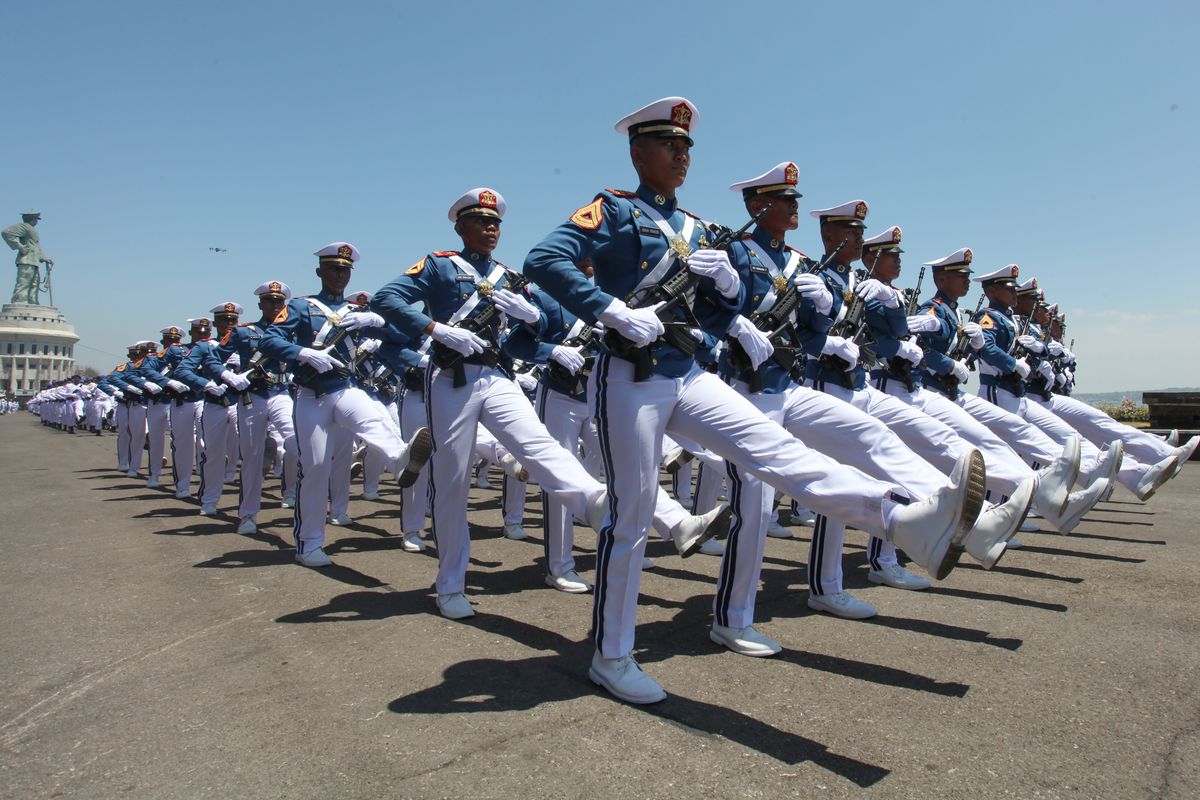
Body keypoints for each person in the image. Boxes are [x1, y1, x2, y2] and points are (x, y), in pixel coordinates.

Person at [523, 97, 986, 703]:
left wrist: (728, 290)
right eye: (669, 145)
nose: (682, 155)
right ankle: (612, 655)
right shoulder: (612, 210)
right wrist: (611, 310)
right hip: (630, 378)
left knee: (779, 452)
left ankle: (903, 521)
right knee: (632, 517)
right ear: (638, 152)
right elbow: (544, 259)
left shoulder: (699, 229)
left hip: (688, 372)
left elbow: (718, 316)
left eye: (688, 147)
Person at [372, 188, 730, 618]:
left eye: (496, 222)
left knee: (539, 446)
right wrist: (436, 329)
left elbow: (540, 326)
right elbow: (385, 298)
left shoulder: (508, 278)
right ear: (459, 226)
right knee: (452, 483)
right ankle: (450, 583)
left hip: (495, 373)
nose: (490, 228)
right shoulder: (439, 265)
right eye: (480, 220)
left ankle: (613, 507)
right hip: (451, 376)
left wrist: (533, 318)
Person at [257, 242, 434, 568]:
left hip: (344, 387)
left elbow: (403, 335)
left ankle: (401, 460)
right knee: (316, 469)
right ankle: (309, 543)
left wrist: (380, 322)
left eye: (345, 270)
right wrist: (302, 353)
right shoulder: (300, 307)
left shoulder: (358, 313)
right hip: (311, 395)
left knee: (374, 421)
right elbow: (268, 339)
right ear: (320, 272)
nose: (340, 275)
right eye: (334, 269)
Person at [2, 211, 53, 304]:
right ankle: (20, 301)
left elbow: (35, 246)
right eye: (36, 219)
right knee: (24, 282)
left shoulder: (32, 230)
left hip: (34, 261)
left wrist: (43, 257)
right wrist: (20, 247)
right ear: (32, 219)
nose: (36, 221)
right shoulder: (24, 226)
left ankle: (32, 302)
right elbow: (6, 233)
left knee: (34, 283)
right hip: (26, 260)